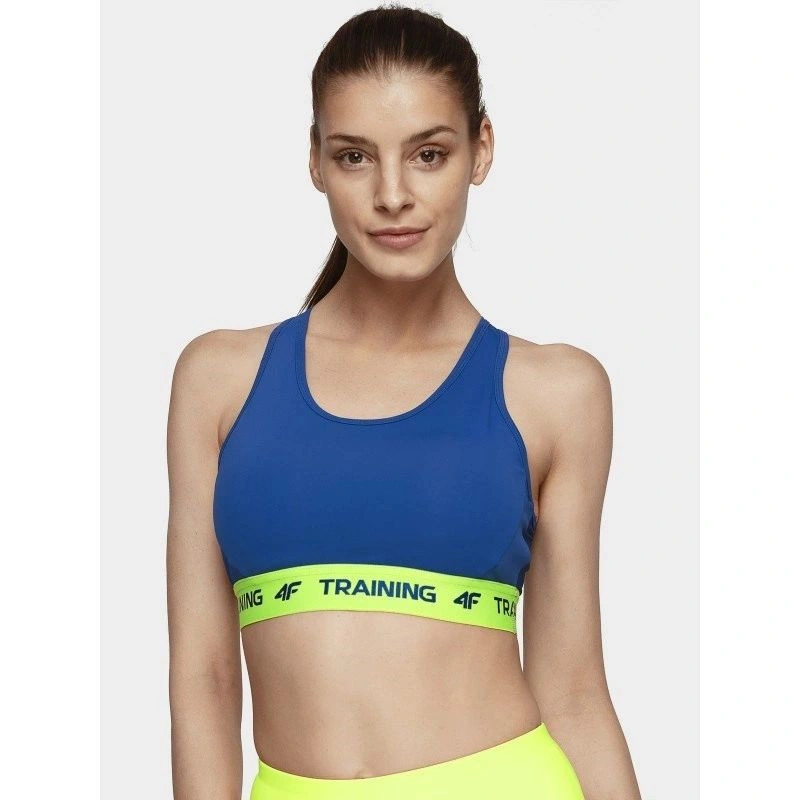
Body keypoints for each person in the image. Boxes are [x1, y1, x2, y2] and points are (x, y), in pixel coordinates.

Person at [167, 5, 642, 799]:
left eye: (429, 154)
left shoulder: (556, 393)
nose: (393, 194)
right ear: (315, 161)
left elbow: (574, 691)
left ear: (480, 150)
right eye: (355, 156)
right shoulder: (219, 380)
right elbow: (204, 680)